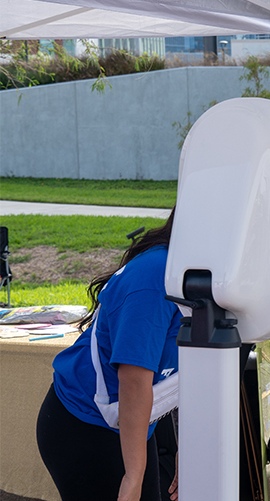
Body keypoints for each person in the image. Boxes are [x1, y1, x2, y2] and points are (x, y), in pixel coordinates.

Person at [36, 210, 180, 501]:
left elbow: (196, 371)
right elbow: (134, 379)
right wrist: (133, 476)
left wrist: (186, 450)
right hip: (84, 425)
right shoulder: (155, 275)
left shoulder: (197, 273)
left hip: (129, 423)